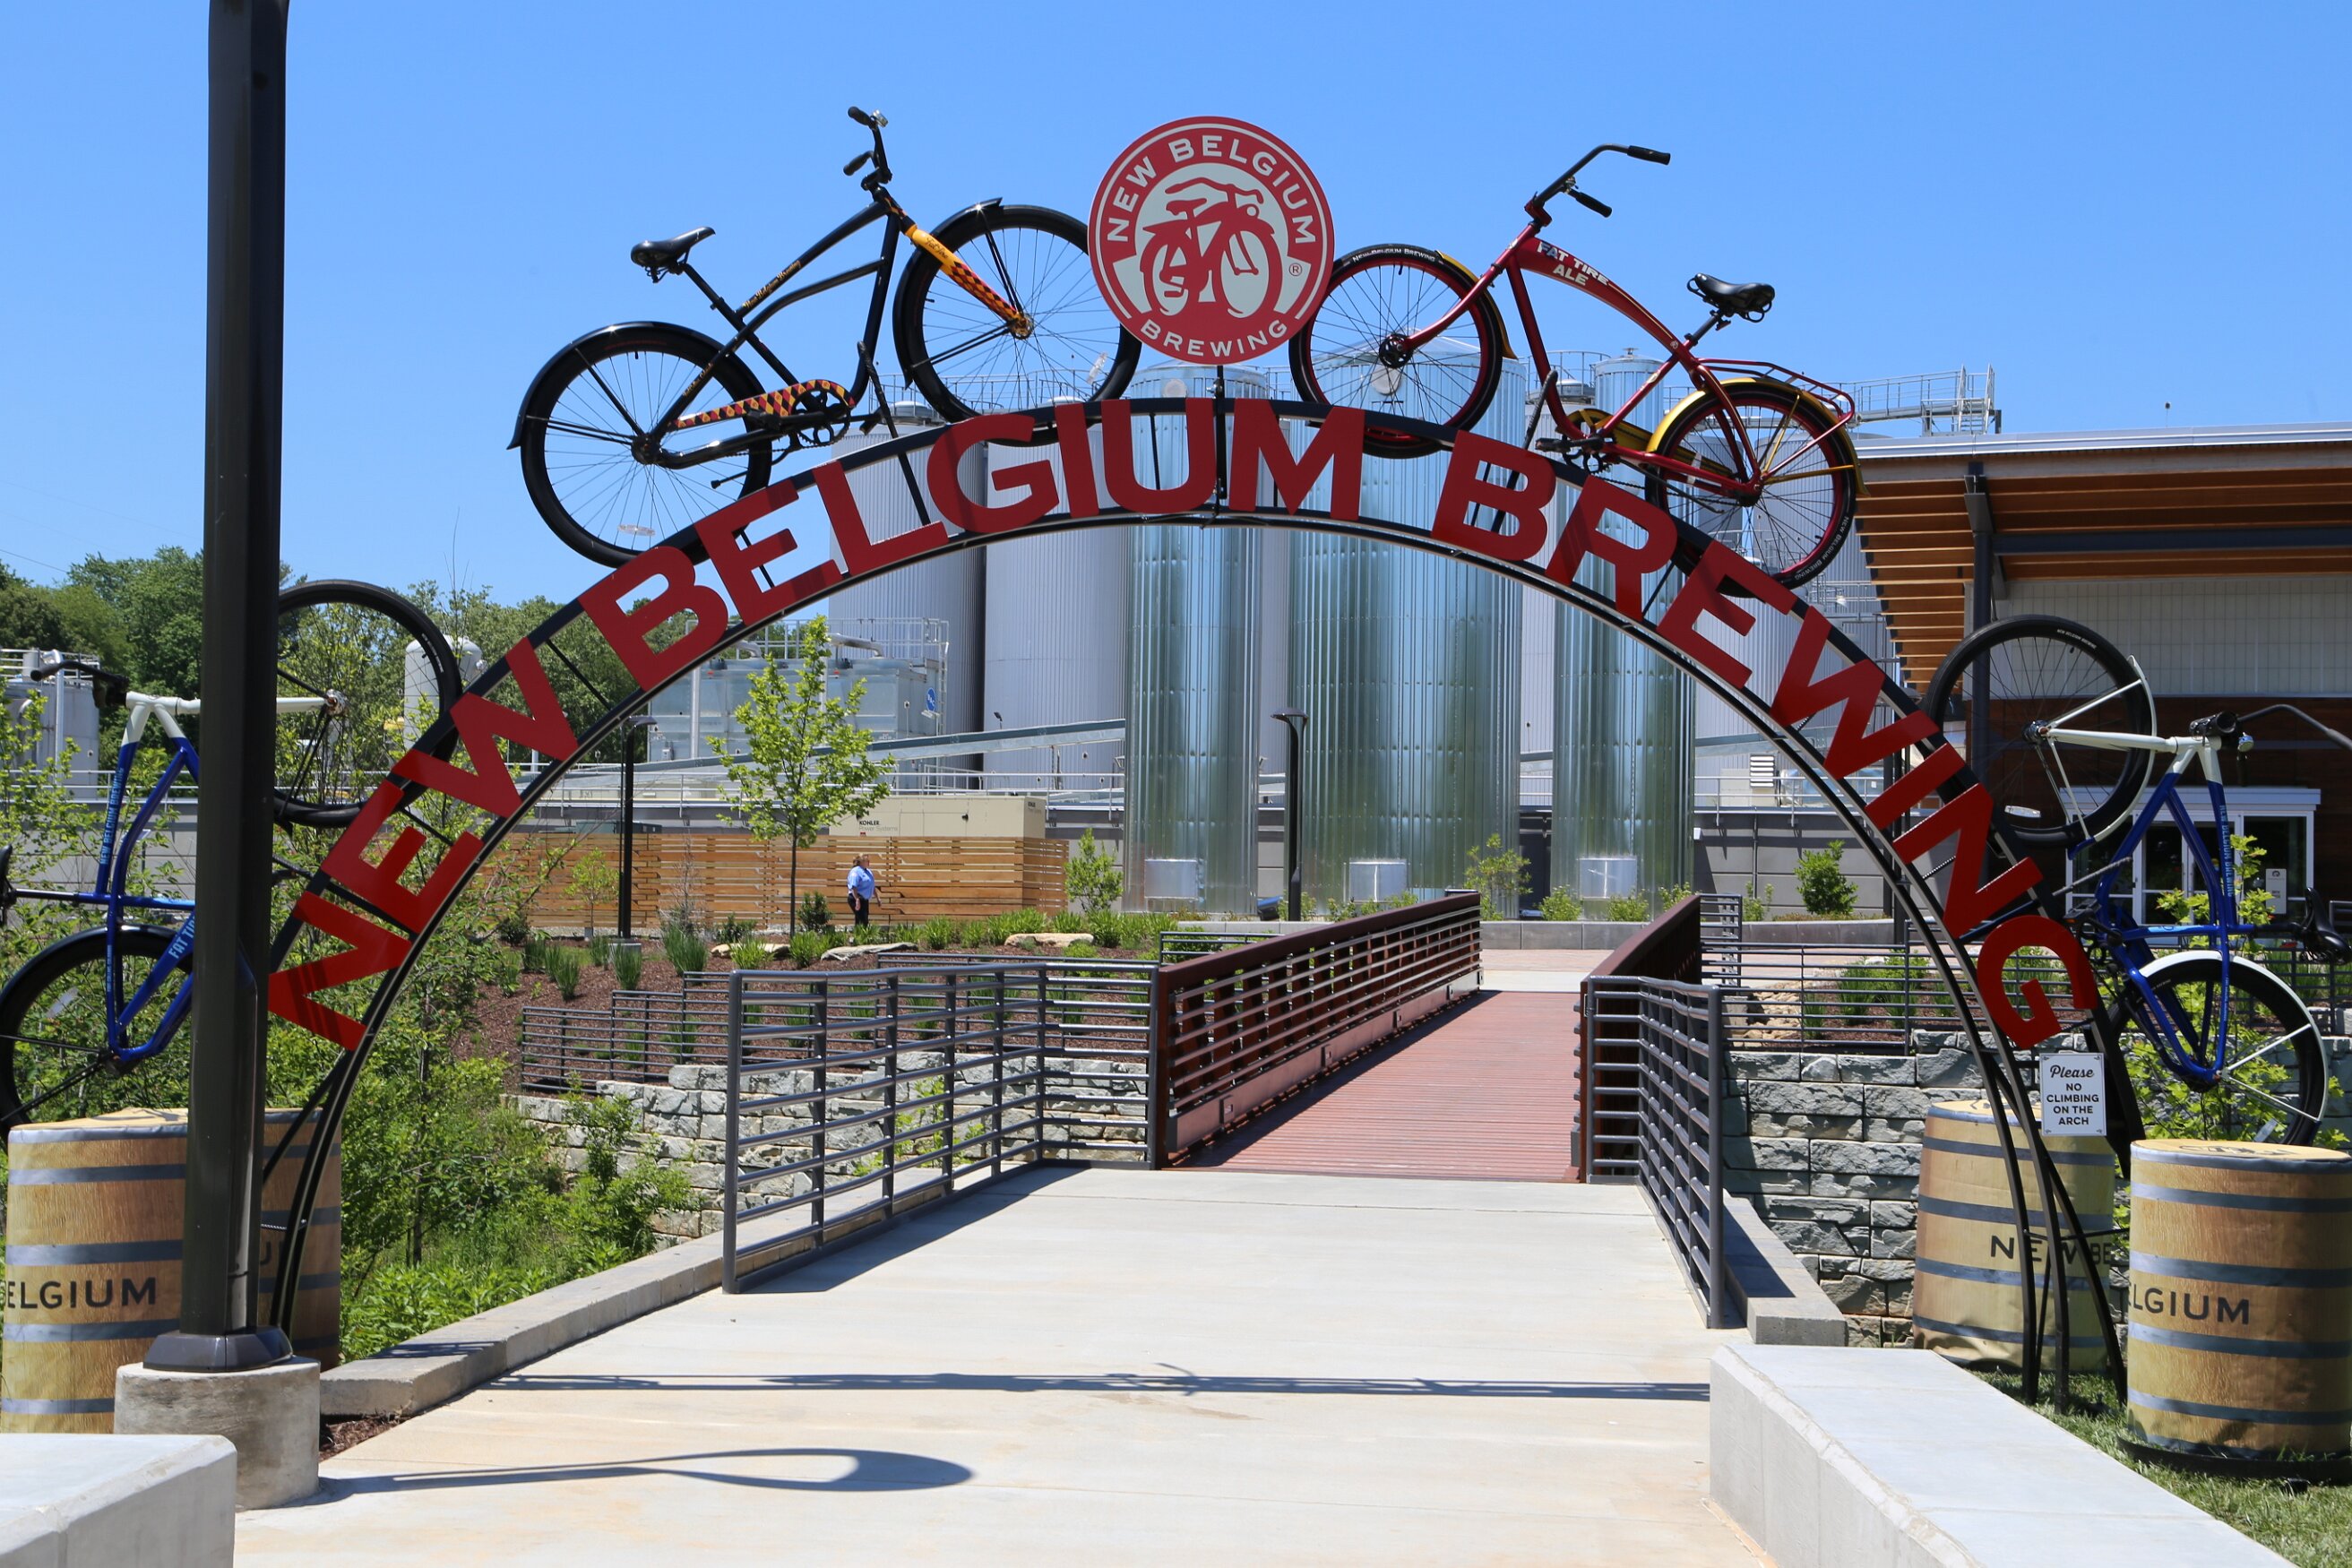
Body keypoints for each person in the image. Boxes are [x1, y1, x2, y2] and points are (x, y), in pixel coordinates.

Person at [846, 855, 876, 930]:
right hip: (855, 897)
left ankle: (858, 934)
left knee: (861, 919)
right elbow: (853, 886)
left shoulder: (868, 871)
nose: (869, 862)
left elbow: (872, 886)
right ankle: (862, 934)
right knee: (862, 919)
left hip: (864, 899)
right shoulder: (856, 871)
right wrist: (857, 899)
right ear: (861, 862)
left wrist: (878, 898)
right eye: (867, 860)